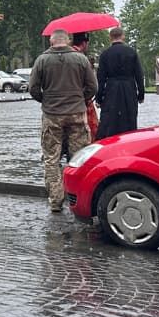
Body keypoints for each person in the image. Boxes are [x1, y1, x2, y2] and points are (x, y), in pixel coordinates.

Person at [29, 29, 97, 212]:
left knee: (52, 159)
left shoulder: (42, 60)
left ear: (52, 42)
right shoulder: (81, 59)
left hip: (52, 116)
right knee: (79, 158)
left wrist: (46, 100)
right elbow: (93, 86)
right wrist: (80, 99)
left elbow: (33, 88)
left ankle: (56, 201)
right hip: (76, 113)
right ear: (67, 41)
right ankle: (80, 199)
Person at [95, 27, 146, 140]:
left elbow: (101, 78)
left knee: (110, 120)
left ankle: (110, 142)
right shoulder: (132, 52)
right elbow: (139, 75)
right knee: (129, 118)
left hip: (111, 89)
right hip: (129, 89)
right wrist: (141, 94)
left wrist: (99, 98)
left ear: (110, 37)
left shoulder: (105, 54)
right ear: (123, 36)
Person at [62, 33, 100, 160]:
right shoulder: (82, 59)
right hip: (79, 104)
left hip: (59, 105)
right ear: (84, 43)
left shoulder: (59, 56)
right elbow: (92, 85)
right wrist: (85, 98)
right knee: (84, 137)